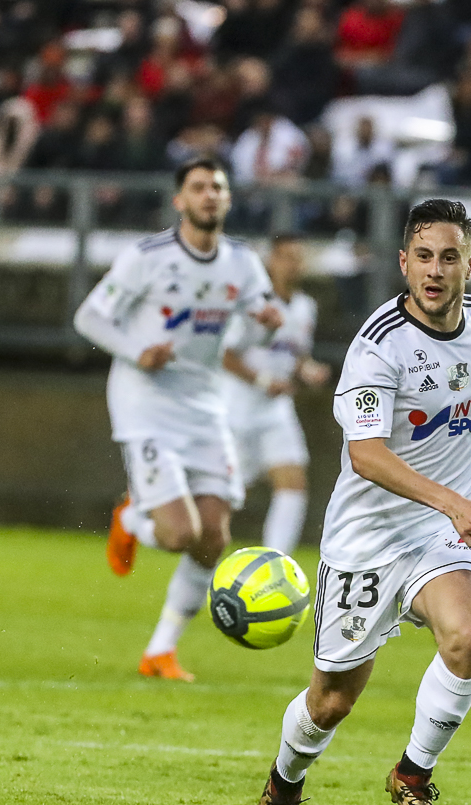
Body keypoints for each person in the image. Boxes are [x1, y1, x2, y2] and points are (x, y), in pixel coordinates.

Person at [250, 199, 471, 805]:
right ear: (405, 263)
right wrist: (454, 502)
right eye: (424, 257)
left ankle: (414, 775)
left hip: (441, 533)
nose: (435, 270)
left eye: (449, 257)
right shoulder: (378, 346)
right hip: (367, 540)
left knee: (468, 638)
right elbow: (366, 456)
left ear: (470, 266)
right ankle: (285, 783)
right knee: (331, 702)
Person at [77, 158, 284, 683]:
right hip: (145, 403)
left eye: (217, 187)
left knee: (212, 537)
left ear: (228, 199)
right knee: (177, 534)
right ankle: (132, 518)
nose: (209, 195)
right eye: (198, 187)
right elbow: (89, 316)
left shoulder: (242, 262)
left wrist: (266, 326)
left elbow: (247, 338)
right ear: (180, 200)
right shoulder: (147, 257)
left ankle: (160, 651)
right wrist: (137, 350)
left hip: (204, 405)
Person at [220, 235, 332, 556]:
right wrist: (263, 380)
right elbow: (224, 355)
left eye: (298, 258)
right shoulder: (252, 304)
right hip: (237, 410)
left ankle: (274, 561)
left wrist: (308, 370)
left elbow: (295, 355)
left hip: (276, 411)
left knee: (293, 482)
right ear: (271, 261)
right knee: (223, 497)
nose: (292, 265)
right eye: (286, 257)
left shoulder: (305, 307)